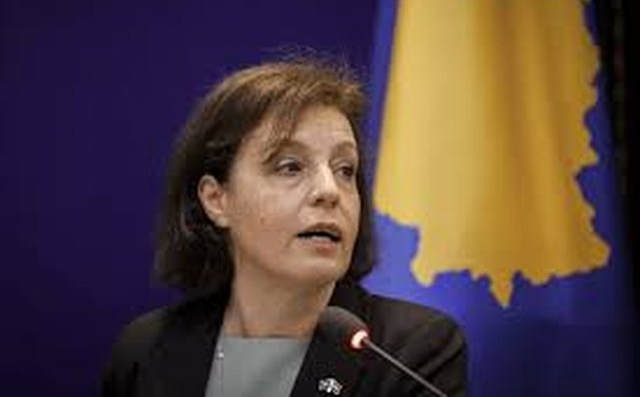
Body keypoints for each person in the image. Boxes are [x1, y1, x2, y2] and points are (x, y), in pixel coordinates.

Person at [102, 58, 467, 396]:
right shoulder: (145, 350)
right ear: (216, 200)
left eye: (345, 170)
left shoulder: (411, 350)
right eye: (290, 166)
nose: (330, 191)